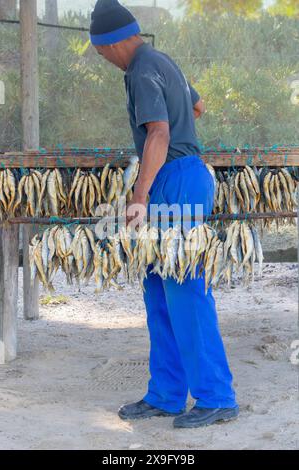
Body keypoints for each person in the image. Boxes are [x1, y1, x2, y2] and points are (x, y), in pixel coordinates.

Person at [90, 0, 239, 428]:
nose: (105, 60)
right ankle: (167, 394)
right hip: (176, 175)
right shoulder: (162, 61)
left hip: (175, 181)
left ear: (115, 41)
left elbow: (159, 131)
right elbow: (198, 107)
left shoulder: (140, 69)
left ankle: (216, 396)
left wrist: (139, 195)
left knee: (186, 290)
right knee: (158, 290)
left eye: (103, 53)